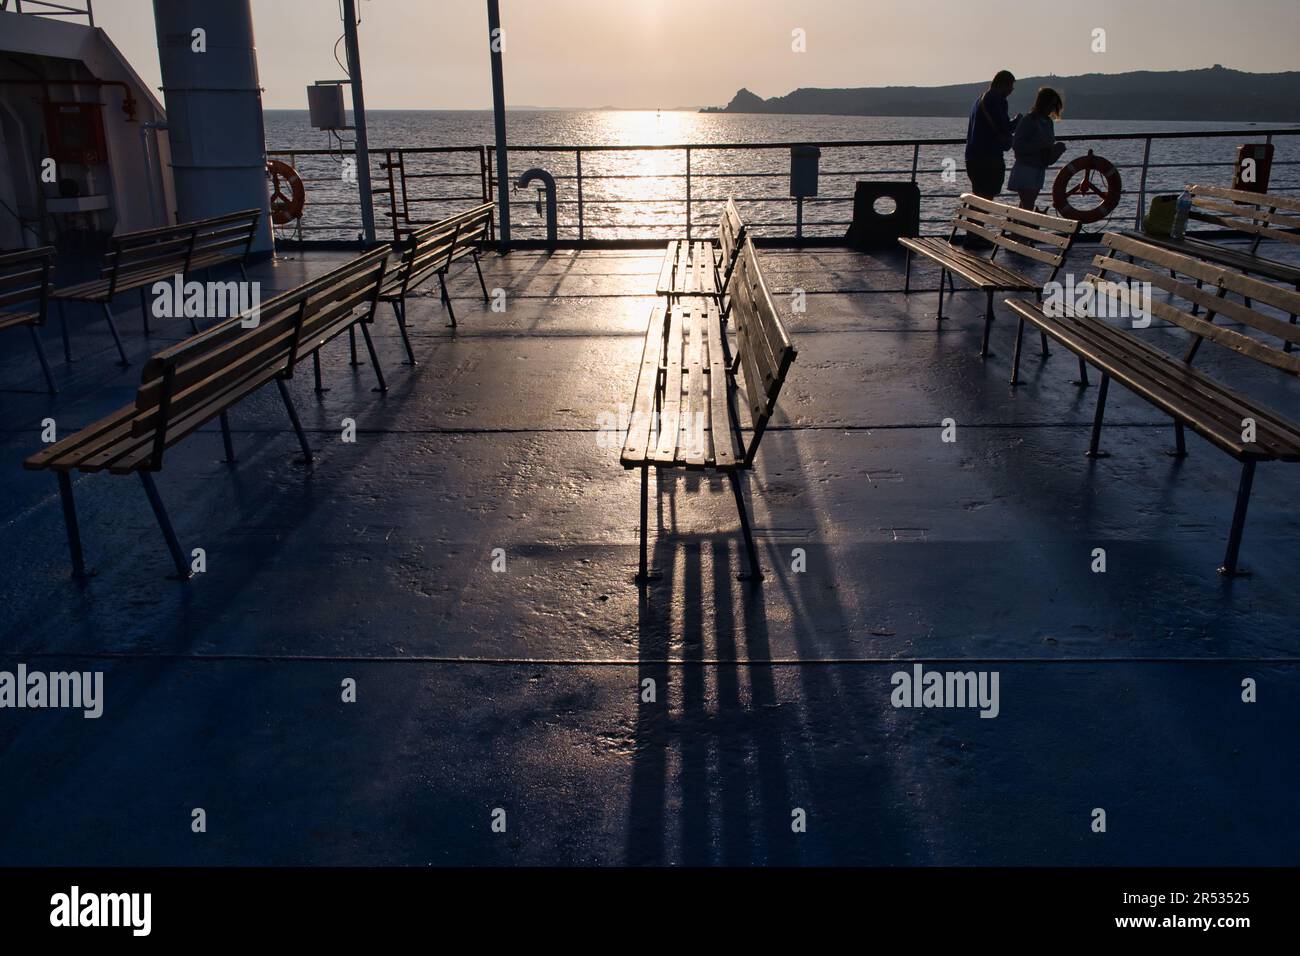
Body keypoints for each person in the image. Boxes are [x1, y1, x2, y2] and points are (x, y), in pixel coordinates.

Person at [964, 70, 1020, 201]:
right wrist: (1018, 120)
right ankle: (976, 221)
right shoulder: (997, 100)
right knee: (987, 199)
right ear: (1003, 84)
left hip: (972, 158)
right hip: (989, 159)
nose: (1011, 90)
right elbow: (1005, 127)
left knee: (979, 199)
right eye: (1010, 86)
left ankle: (973, 221)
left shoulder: (979, 100)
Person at [1008, 87, 1065, 210]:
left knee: (1025, 206)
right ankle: (1024, 228)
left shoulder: (1048, 122)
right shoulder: (1028, 120)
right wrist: (1039, 145)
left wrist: (1056, 149)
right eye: (1051, 104)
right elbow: (1017, 145)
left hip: (1039, 169)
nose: (1052, 108)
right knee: (1028, 206)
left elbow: (1046, 144)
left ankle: (1017, 228)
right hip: (1026, 169)